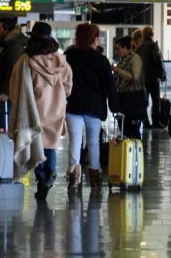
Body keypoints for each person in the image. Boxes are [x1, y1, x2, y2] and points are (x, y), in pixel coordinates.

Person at [8, 22, 72, 200]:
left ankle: (42, 178)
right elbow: (68, 86)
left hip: (34, 110)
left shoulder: (25, 61)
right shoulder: (61, 61)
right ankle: (50, 174)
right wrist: (59, 96)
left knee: (35, 145)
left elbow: (15, 86)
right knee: (50, 144)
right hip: (56, 109)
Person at [64, 23, 116, 190]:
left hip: (73, 105)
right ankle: (94, 176)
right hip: (94, 106)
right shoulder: (101, 60)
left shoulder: (68, 56)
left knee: (75, 141)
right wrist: (115, 106)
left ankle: (73, 176)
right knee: (93, 142)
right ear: (95, 39)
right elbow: (109, 86)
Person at [0, 17, 24, 129]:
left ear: (7, 31)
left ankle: (4, 146)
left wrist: (6, 90)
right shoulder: (3, 46)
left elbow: (13, 69)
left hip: (4, 96)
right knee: (0, 126)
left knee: (3, 127)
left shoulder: (14, 47)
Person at [111, 36, 145, 139]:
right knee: (124, 129)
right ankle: (126, 152)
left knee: (133, 129)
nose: (116, 52)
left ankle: (135, 152)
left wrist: (117, 70)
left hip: (132, 99)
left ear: (126, 48)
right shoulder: (123, 59)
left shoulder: (135, 59)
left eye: (118, 49)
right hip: (123, 99)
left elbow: (135, 77)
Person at [136, 26, 165, 128]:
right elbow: (158, 61)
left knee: (144, 102)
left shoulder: (139, 47)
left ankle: (146, 123)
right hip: (153, 78)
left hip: (142, 79)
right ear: (152, 34)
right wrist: (162, 74)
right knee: (156, 101)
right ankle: (156, 122)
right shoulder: (153, 45)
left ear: (144, 35)